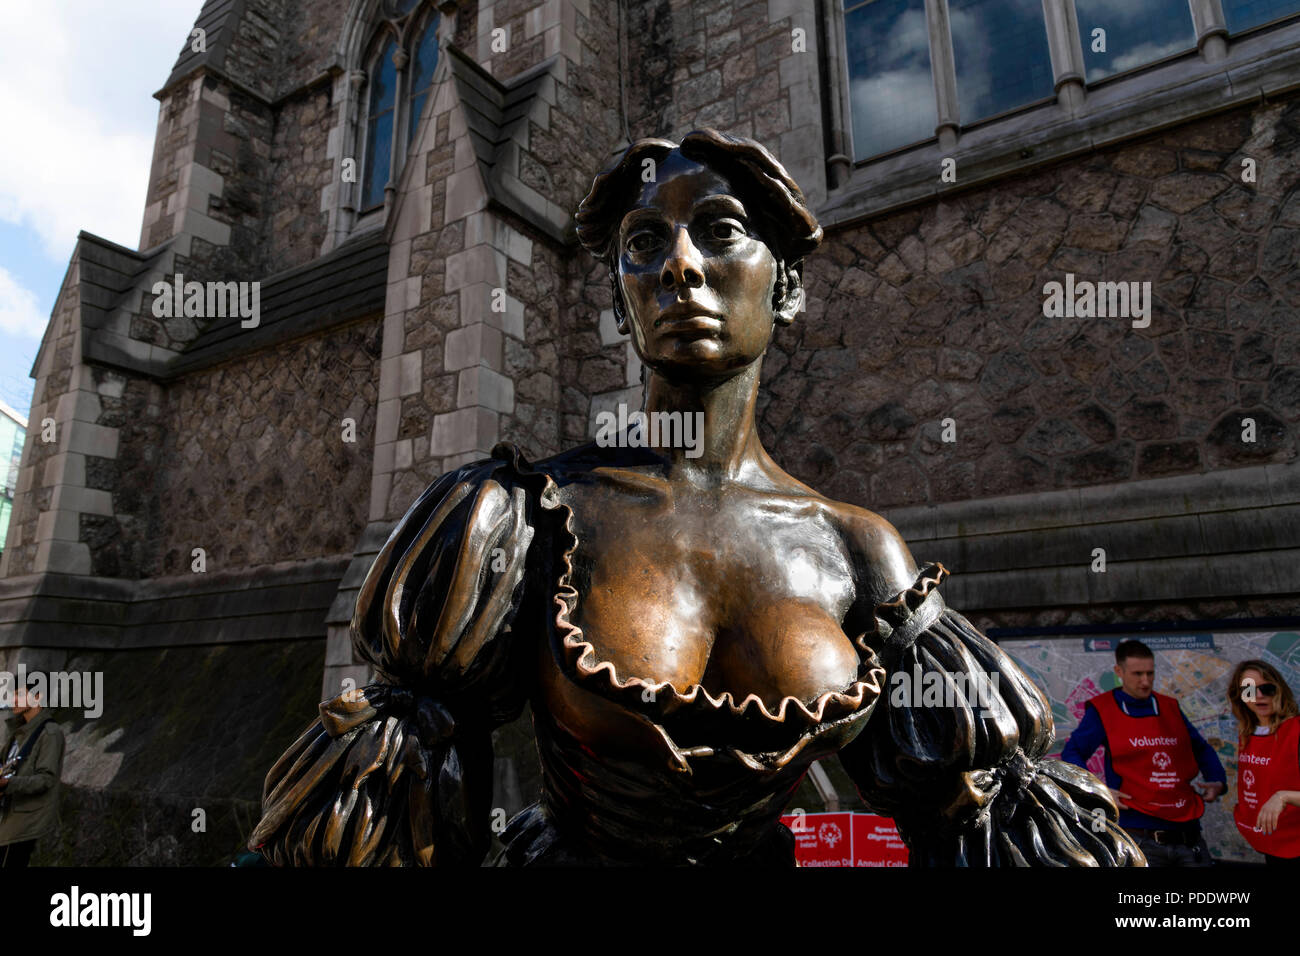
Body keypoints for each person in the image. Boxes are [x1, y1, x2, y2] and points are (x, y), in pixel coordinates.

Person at [249, 129, 1142, 867]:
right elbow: (388, 799)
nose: (679, 265)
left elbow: (977, 820)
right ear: (623, 299)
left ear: (785, 286)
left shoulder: (858, 551)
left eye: (719, 231)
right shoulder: (517, 514)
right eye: (645, 244)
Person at [1062, 639, 1226, 866]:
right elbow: (1073, 752)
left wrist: (1216, 779)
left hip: (1187, 833)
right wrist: (1099, 791)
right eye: (1137, 674)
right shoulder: (1104, 709)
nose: (1145, 681)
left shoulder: (1169, 707)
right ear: (1118, 671)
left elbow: (1200, 748)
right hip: (1140, 835)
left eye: (1150, 673)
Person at [1228, 660, 1300, 866]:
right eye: (1248, 690)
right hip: (1271, 847)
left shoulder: (1295, 731)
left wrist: (1283, 797)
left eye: (1267, 689)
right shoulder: (1248, 735)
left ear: (1279, 691)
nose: (1258, 696)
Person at [0, 673, 66, 867]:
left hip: (24, 825)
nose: (13, 700)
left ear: (37, 697)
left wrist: (7, 783)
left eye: (19, 694)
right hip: (9, 819)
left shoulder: (50, 733)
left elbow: (46, 780)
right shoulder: (20, 731)